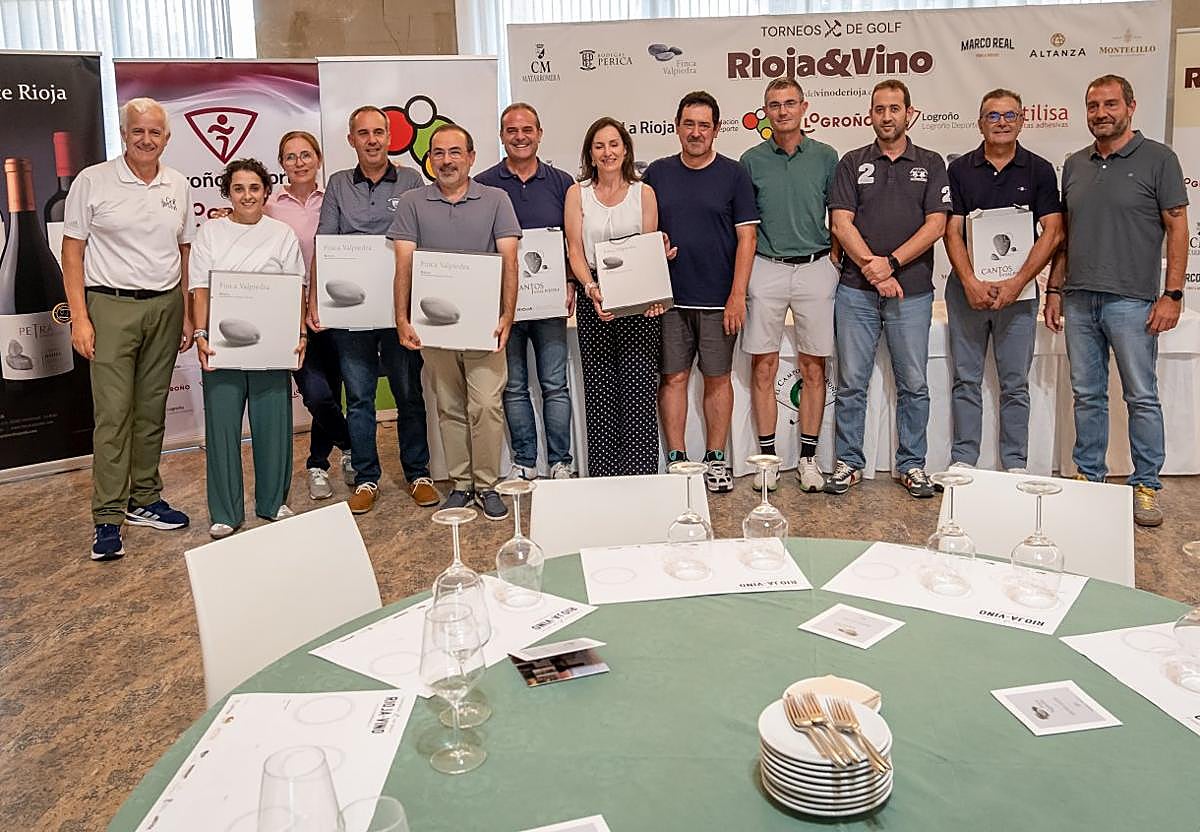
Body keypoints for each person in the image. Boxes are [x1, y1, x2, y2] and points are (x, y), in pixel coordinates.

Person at [1046, 74, 1188, 527]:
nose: (1100, 113)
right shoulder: (1075, 163)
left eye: (1110, 104)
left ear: (1131, 106)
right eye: (1093, 106)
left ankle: (1145, 485)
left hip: (1132, 300)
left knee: (1141, 396)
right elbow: (1065, 235)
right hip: (1080, 297)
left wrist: (1173, 294)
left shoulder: (1159, 159)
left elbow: (1178, 228)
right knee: (1087, 396)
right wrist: (1055, 288)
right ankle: (1090, 480)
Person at [62, 97, 194, 561]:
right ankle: (107, 516)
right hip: (110, 306)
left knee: (151, 410)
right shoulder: (93, 181)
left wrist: (188, 313)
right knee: (114, 415)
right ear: (124, 133)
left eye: (154, 132)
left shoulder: (176, 185)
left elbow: (184, 251)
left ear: (166, 137)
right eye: (137, 130)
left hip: (165, 305)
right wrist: (79, 317)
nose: (146, 138)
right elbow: (73, 251)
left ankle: (145, 498)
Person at [827, 79, 951, 498]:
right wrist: (872, 269)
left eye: (894, 108)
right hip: (855, 292)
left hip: (912, 290)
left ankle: (912, 464)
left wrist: (892, 264)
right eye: (879, 109)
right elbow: (841, 223)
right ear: (870, 115)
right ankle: (848, 462)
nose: (886, 116)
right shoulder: (851, 162)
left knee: (914, 382)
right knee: (851, 382)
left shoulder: (932, 163)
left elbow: (936, 224)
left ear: (908, 113)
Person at [391, 124, 521, 520]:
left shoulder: (496, 200)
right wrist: (401, 318)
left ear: (471, 157)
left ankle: (487, 484)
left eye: (454, 152)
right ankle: (462, 485)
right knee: (448, 406)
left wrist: (507, 315)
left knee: (485, 405)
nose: (446, 161)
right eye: (439, 153)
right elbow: (404, 265)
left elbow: (510, 262)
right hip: (434, 328)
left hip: (484, 326)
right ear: (429, 159)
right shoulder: (414, 202)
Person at [315, 106, 438, 514]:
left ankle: (417, 472)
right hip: (351, 312)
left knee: (408, 394)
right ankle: (367, 478)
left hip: (399, 308)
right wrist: (317, 298)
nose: (371, 139)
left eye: (378, 132)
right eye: (363, 133)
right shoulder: (336, 185)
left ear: (390, 137)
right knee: (361, 398)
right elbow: (325, 244)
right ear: (351, 139)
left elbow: (420, 239)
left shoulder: (410, 180)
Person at [943, 89, 1063, 473]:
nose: (1001, 123)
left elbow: (1054, 231)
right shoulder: (959, 169)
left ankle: (1015, 464)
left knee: (1015, 383)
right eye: (992, 116)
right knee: (965, 380)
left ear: (1022, 120)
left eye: (1009, 115)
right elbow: (951, 232)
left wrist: (1017, 283)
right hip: (967, 293)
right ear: (980, 123)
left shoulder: (1040, 170)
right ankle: (964, 460)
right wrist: (970, 282)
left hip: (1021, 294)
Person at [644, 90, 758, 492]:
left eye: (703, 125)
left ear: (717, 130)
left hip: (718, 301)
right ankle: (677, 458)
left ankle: (715, 460)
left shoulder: (734, 174)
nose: (696, 132)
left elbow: (747, 239)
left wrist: (737, 295)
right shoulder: (656, 173)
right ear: (676, 128)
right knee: (672, 378)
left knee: (717, 379)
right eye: (688, 124)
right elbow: (643, 231)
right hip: (668, 301)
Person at [189, 158, 306, 538]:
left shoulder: (281, 234)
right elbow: (200, 289)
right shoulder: (210, 233)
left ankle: (274, 503)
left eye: (254, 188)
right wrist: (202, 334)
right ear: (227, 193)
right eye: (238, 188)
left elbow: (296, 290)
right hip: (222, 346)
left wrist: (299, 335)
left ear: (266, 192)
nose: (247, 195)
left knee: (273, 424)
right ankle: (225, 511)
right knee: (222, 427)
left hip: (271, 344)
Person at [739, 78, 840, 493]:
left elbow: (842, 212)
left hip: (816, 266)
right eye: (774, 105)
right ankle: (766, 459)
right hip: (767, 266)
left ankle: (809, 460)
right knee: (762, 364)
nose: (782, 111)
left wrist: (835, 256)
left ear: (803, 107)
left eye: (789, 103)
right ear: (765, 111)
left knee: (813, 364)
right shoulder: (750, 160)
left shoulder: (826, 156)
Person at [475, 103, 576, 481]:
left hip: (549, 302)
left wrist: (568, 280)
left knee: (555, 385)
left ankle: (561, 462)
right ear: (502, 136)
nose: (520, 136)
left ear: (540, 133)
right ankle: (525, 461)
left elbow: (572, 241)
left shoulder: (561, 182)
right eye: (512, 130)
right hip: (503, 305)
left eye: (527, 129)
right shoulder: (483, 184)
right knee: (513, 386)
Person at [563, 117, 668, 477]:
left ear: (625, 150)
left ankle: (641, 479)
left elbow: (648, 250)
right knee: (601, 396)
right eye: (599, 146)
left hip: (639, 307)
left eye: (613, 144)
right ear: (590, 154)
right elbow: (574, 250)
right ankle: (606, 480)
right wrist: (590, 289)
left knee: (638, 396)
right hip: (596, 301)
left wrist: (653, 295)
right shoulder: (577, 194)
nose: (607, 152)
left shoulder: (645, 194)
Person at [264, 130, 352, 501]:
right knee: (315, 393)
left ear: (318, 158)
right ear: (281, 163)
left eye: (305, 155)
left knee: (332, 391)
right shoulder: (268, 205)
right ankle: (352, 446)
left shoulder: (334, 199)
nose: (298, 162)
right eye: (290, 156)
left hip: (335, 307)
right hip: (289, 310)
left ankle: (318, 464)